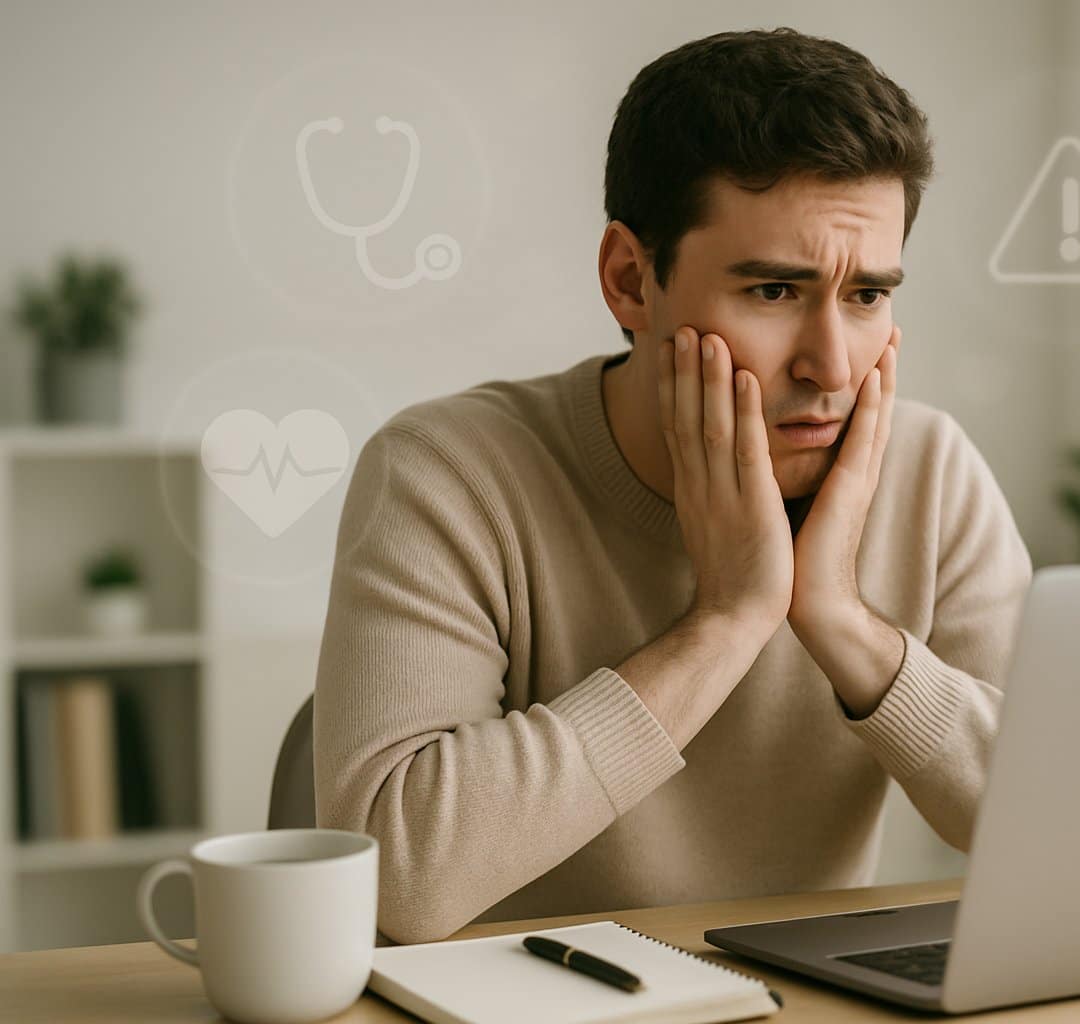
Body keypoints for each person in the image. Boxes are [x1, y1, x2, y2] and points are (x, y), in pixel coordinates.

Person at [313, 26, 1033, 946]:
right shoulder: (450, 470)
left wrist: (844, 623)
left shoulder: (931, 471)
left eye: (867, 297)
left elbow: (1063, 836)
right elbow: (392, 885)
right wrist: (729, 618)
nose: (832, 365)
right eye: (774, 292)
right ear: (630, 280)